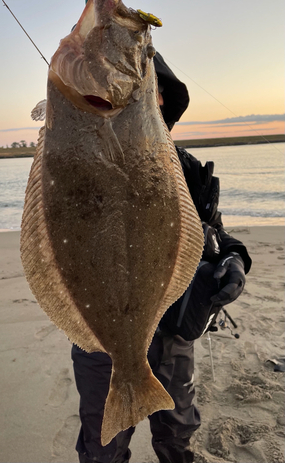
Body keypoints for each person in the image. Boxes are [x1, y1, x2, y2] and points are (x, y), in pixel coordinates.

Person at [71, 43, 252, 462]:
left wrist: (234, 260)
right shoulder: (86, 160)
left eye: (146, 89)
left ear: (161, 100)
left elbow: (215, 233)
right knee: (102, 446)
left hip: (173, 328)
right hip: (103, 335)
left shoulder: (186, 168)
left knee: (177, 436)